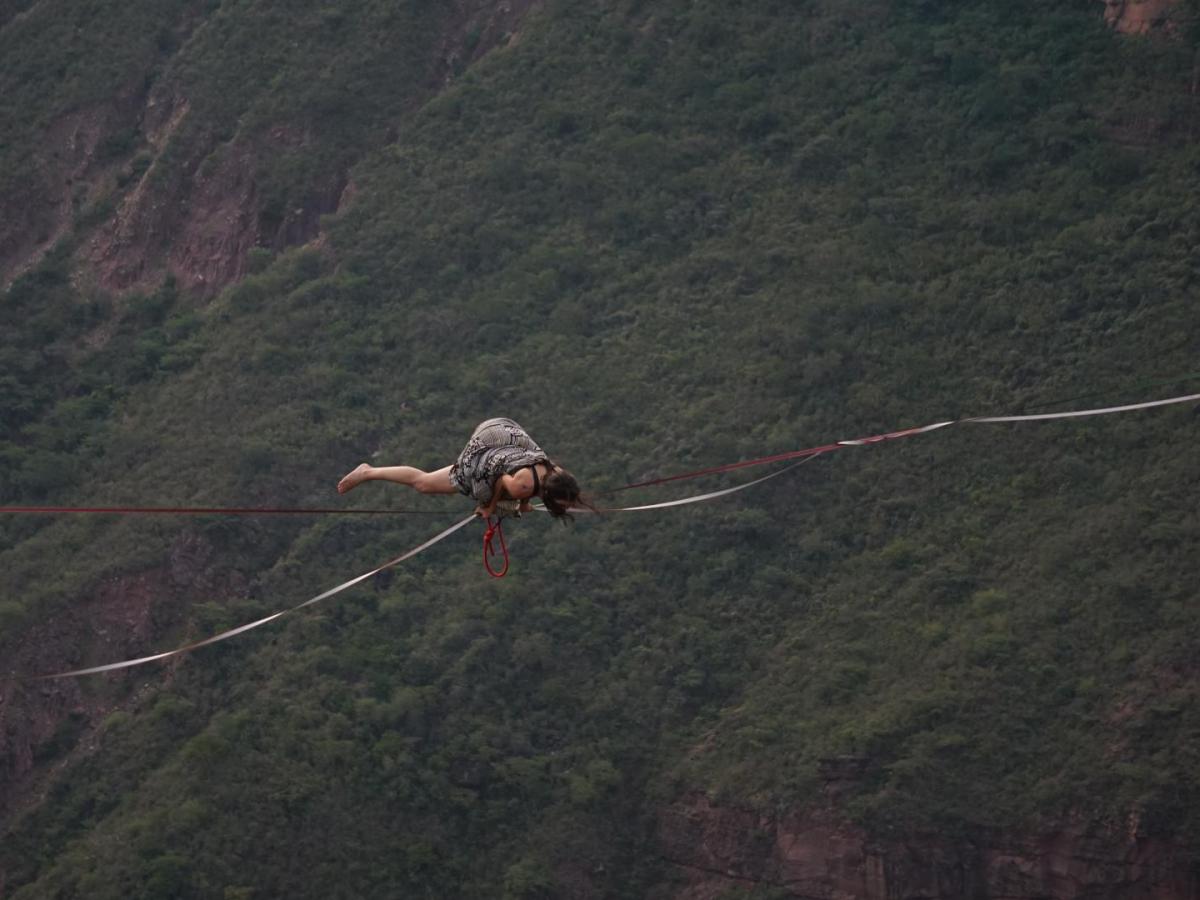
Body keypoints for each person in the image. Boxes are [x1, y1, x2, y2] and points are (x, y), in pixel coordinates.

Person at [337, 417, 583, 520]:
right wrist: (488, 507)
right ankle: (367, 472)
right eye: (564, 503)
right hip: (487, 448)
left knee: (424, 481)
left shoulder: (556, 474)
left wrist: (525, 504)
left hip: (504, 435)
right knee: (424, 484)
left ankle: (369, 471)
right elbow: (500, 482)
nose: (566, 507)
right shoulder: (522, 485)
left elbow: (525, 474)